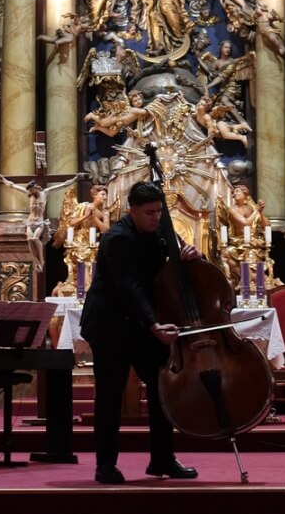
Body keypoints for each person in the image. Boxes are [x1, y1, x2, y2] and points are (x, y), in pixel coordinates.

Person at [80, 180, 201, 484]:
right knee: (111, 394)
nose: (156, 217)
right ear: (131, 210)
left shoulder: (160, 230)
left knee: (162, 389)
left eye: (159, 211)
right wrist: (153, 324)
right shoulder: (117, 239)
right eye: (149, 212)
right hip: (110, 324)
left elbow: (174, 267)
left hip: (141, 323)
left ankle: (162, 459)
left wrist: (192, 257)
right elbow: (129, 287)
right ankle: (105, 466)